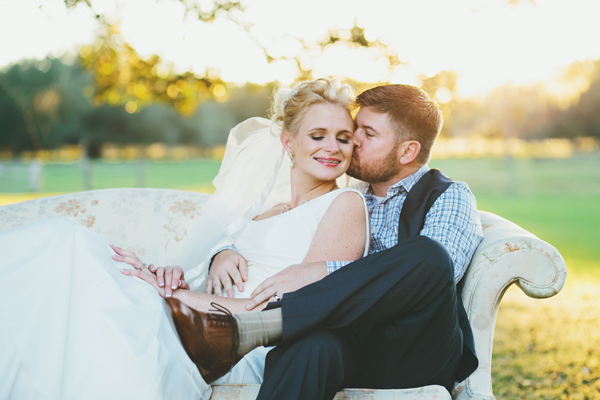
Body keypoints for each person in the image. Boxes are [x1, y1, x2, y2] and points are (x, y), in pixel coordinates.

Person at [0, 78, 370, 400]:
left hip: (232, 345)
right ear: (288, 142)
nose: (332, 148)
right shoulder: (262, 211)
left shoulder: (344, 203)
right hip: (189, 314)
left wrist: (174, 295)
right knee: (63, 254)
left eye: (343, 138)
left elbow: (307, 307)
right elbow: (216, 267)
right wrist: (180, 270)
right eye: (318, 136)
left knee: (67, 246)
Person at [166, 84, 485, 400]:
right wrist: (224, 249)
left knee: (432, 255)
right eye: (355, 130)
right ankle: (271, 325)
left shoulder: (449, 195)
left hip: (411, 346)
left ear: (407, 151)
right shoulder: (353, 194)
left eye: (368, 134)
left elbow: (436, 277)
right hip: (352, 339)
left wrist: (320, 271)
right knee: (310, 348)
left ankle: (270, 322)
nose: (352, 141)